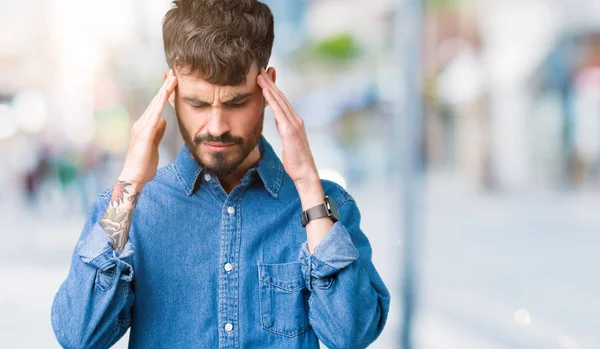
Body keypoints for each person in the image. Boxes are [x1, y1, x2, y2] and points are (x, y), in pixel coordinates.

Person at [50, 0, 390, 348]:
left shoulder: (326, 205)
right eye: (197, 104)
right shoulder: (129, 209)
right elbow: (79, 336)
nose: (216, 127)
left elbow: (352, 335)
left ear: (267, 89)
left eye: (236, 103)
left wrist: (307, 185)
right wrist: (130, 184)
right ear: (170, 89)